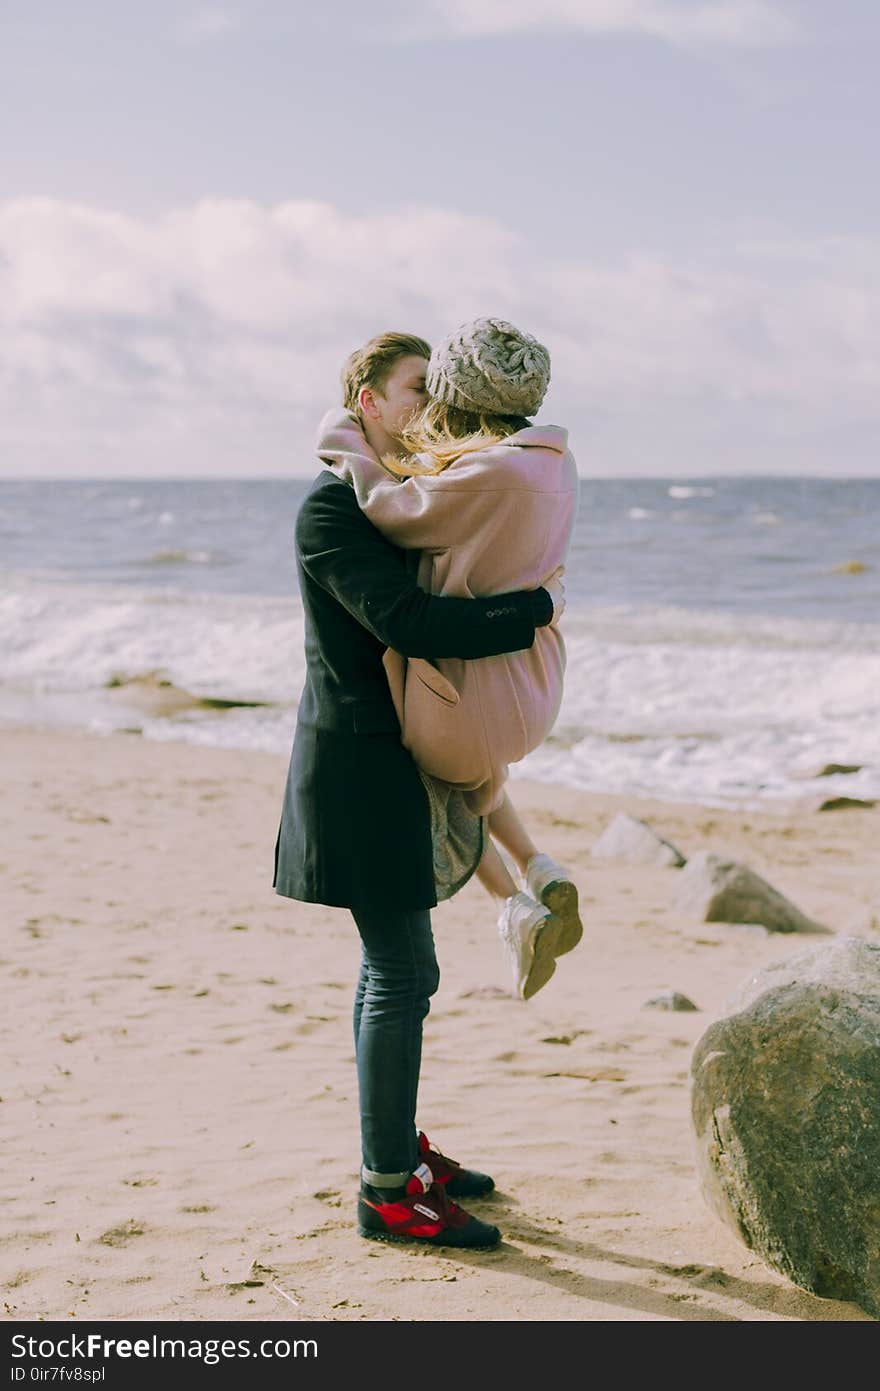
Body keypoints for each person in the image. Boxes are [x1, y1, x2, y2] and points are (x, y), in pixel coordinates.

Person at [272, 331, 565, 1249]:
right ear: (364, 398)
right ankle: (388, 1189)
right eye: (410, 392)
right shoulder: (331, 512)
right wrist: (538, 608)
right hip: (354, 771)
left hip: (389, 764)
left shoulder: (407, 505)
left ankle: (396, 1150)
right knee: (403, 972)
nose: (425, 410)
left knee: (397, 971)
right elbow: (409, 618)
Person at [318, 318, 582, 1002]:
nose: (427, 403)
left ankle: (515, 904)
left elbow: (389, 507)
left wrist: (341, 435)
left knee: (439, 755)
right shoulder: (555, 460)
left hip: (467, 708)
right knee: (469, 757)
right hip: (535, 684)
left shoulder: (475, 478)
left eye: (434, 387)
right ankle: (535, 867)